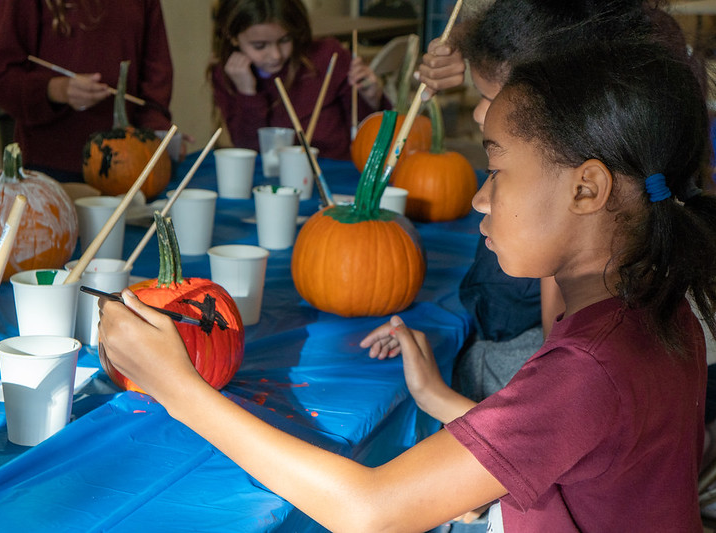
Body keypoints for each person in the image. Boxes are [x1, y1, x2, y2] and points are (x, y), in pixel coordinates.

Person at [98, 40, 716, 531]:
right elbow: (577, 449)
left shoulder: (589, 367)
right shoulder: (659, 309)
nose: (479, 196)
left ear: (587, 188)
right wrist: (440, 398)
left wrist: (175, 385)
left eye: (496, 169)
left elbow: (370, 512)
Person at [410, 0, 703, 403]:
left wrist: (433, 395)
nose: (479, 111)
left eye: (489, 95)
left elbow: (554, 377)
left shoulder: (578, 362)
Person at [0, 0, 191, 182]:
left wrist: (157, 131)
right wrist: (56, 90)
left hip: (128, 163)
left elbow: (156, 75)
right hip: (51, 167)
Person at [208, 0, 388, 160]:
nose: (276, 55)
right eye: (260, 46)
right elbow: (249, 150)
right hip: (271, 182)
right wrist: (247, 93)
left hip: (335, 174)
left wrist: (373, 100)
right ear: (232, 38)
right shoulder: (228, 74)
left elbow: (370, 138)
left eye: (285, 40)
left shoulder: (327, 57)